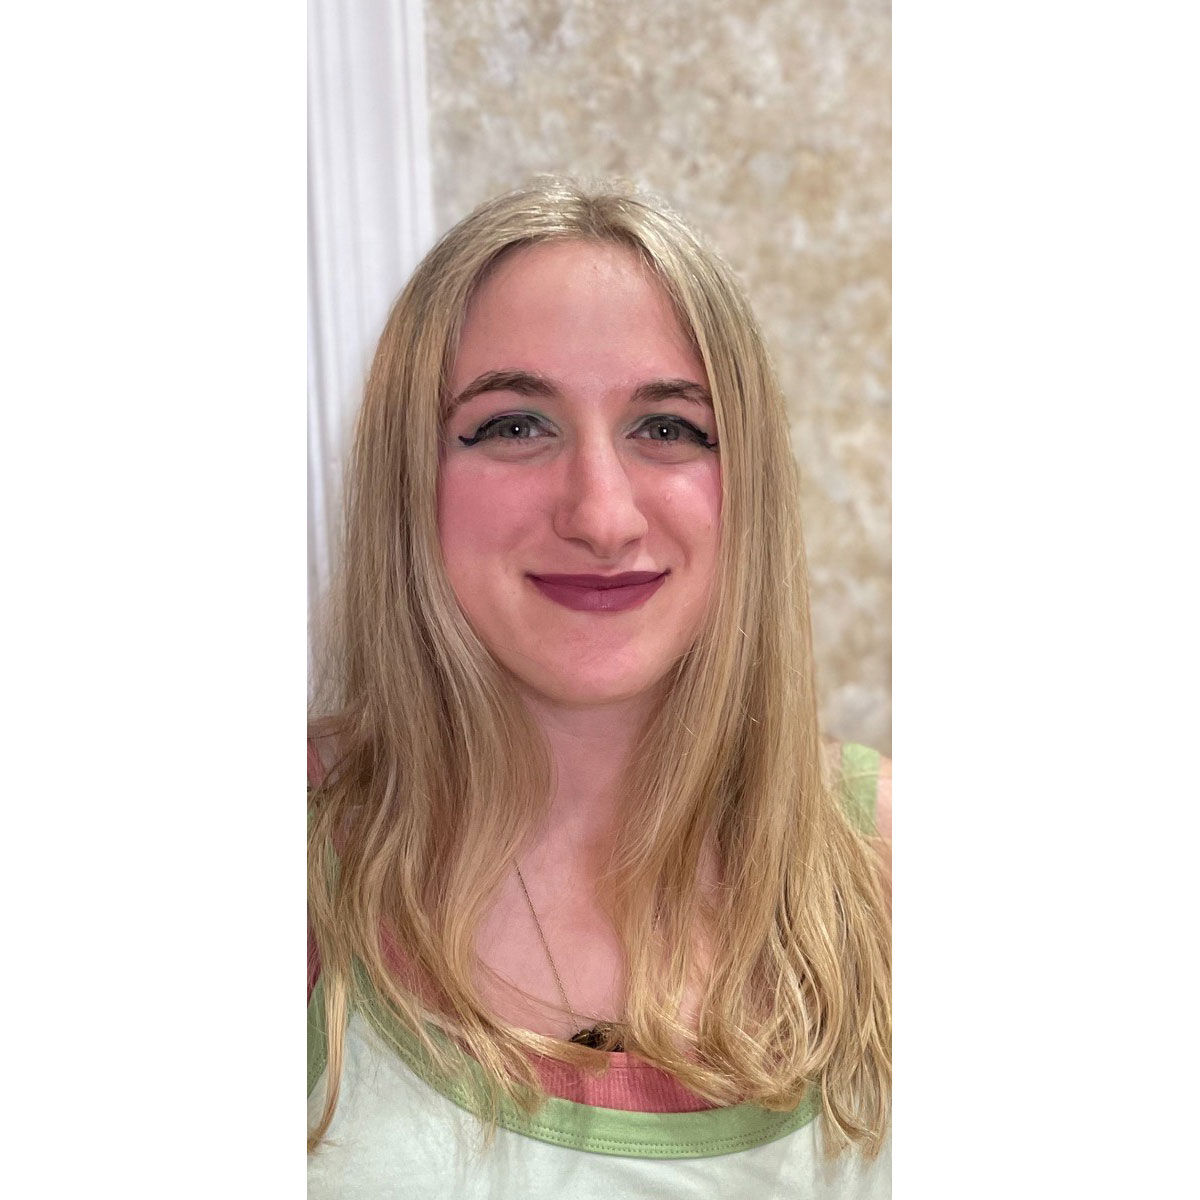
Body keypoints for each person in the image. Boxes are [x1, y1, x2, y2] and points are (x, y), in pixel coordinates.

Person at [307, 177, 892, 1197]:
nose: (602, 516)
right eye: (514, 425)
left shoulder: (891, 859)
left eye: (667, 429)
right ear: (410, 478)